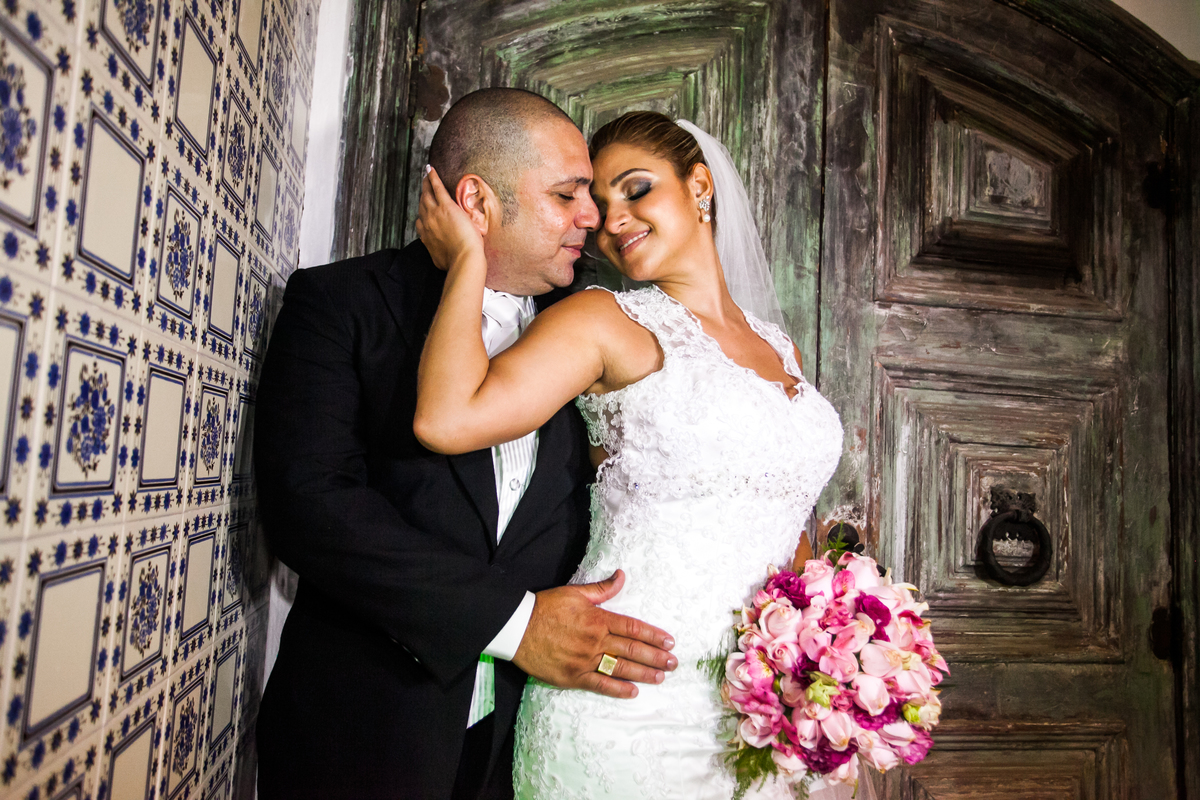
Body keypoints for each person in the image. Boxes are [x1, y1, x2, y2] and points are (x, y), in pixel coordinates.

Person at [253, 90, 677, 800]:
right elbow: (311, 505)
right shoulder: (342, 303)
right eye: (568, 193)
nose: (594, 218)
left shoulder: (595, 334)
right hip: (361, 732)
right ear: (475, 201)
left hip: (530, 741)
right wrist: (514, 625)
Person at [414, 112, 849, 798]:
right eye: (599, 205)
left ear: (699, 185)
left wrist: (838, 651)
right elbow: (446, 418)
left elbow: (779, 519)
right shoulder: (602, 321)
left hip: (762, 714)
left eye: (636, 190)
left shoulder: (779, 347)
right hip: (629, 704)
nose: (613, 221)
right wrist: (469, 258)